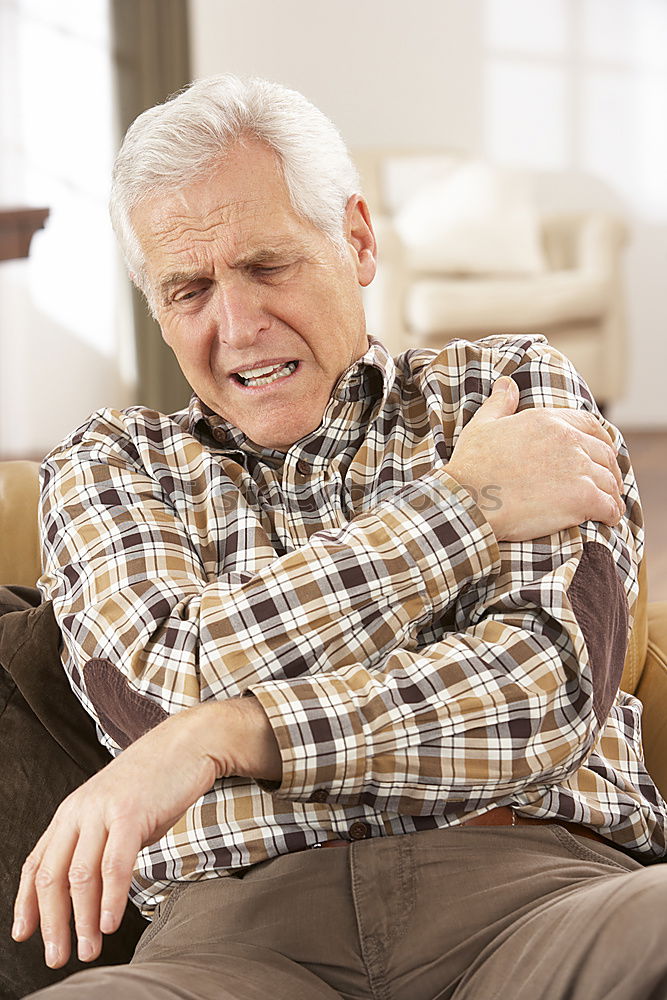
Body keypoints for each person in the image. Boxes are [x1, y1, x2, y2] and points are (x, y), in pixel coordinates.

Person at [12, 75, 667, 1000]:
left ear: (356, 240)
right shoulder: (109, 465)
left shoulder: (510, 387)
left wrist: (233, 729)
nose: (236, 326)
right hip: (231, 945)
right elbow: (161, 692)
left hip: (540, 897)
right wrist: (463, 510)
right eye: (189, 288)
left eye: (267, 266)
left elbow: (542, 691)